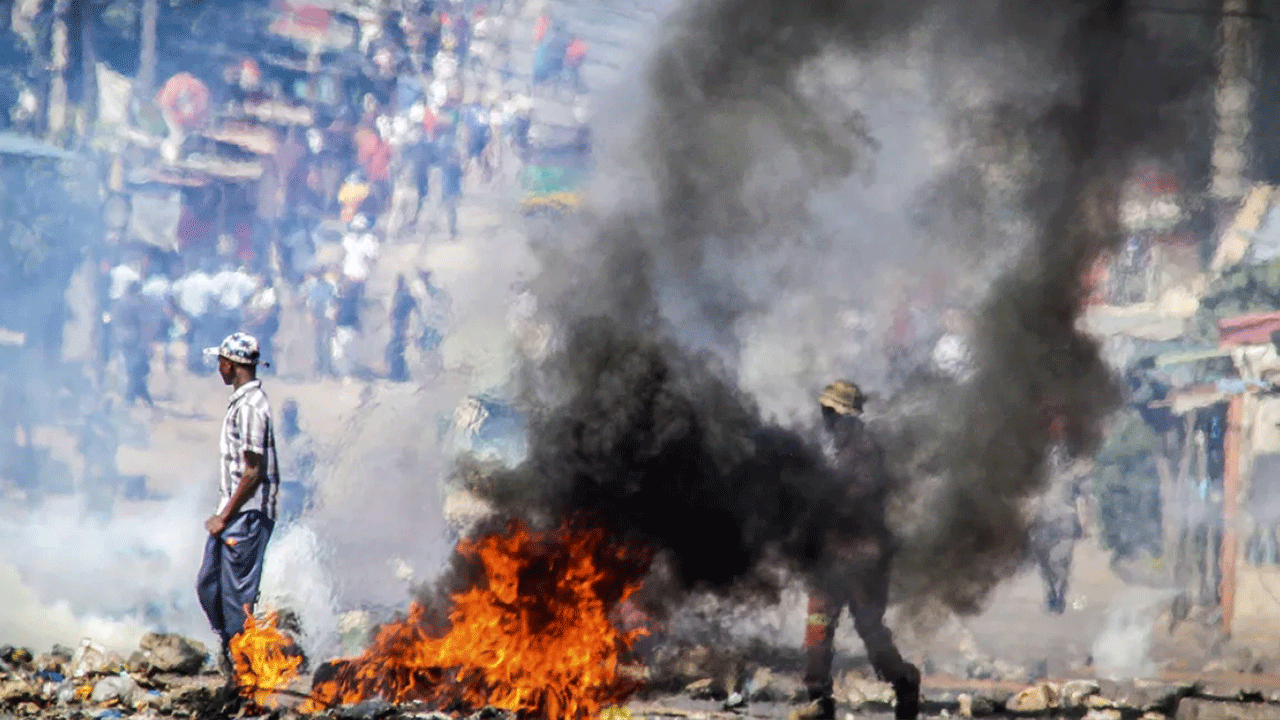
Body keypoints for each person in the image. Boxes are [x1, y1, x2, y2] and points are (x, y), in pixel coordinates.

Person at [795, 381, 919, 720]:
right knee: (818, 626)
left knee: (870, 631)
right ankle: (819, 700)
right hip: (831, 556)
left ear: (846, 416)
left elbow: (855, 499)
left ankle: (905, 682)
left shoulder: (865, 451)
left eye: (831, 412)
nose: (826, 419)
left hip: (864, 557)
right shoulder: (838, 449)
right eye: (825, 412)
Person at [196, 333, 280, 688]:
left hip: (245, 518)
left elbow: (253, 472)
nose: (218, 367)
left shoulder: (250, 408)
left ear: (230, 364)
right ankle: (235, 654)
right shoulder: (242, 403)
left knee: (236, 603)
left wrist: (224, 516)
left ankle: (248, 679)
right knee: (208, 586)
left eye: (221, 362)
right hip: (234, 515)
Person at [1029, 415, 1089, 615]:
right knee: (1044, 561)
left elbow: (1081, 496)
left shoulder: (1074, 469)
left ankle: (1059, 596)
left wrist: (1083, 522)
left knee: (1061, 563)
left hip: (1064, 519)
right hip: (1044, 518)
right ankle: (1052, 594)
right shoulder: (1037, 466)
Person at [276, 399, 317, 525]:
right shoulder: (274, 439)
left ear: (295, 416)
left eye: (291, 414)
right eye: (286, 414)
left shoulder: (304, 441)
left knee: (291, 525)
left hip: (295, 491)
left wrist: (310, 498)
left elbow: (310, 470)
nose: (288, 417)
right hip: (275, 491)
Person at [386, 274, 419, 382]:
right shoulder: (400, 294)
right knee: (396, 348)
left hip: (401, 324)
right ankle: (398, 373)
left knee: (397, 348)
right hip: (398, 324)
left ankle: (399, 374)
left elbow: (413, 306)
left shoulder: (403, 295)